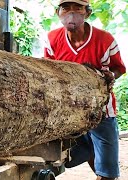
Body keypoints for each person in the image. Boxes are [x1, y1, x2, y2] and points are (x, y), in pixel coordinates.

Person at [44, 0, 126, 179]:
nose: (71, 13)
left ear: (87, 13)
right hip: (68, 111)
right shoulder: (52, 39)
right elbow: (47, 71)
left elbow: (119, 68)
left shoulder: (105, 40)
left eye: (78, 8)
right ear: (59, 13)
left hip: (101, 111)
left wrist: (110, 75)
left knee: (107, 172)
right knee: (62, 156)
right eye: (66, 8)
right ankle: (88, 149)